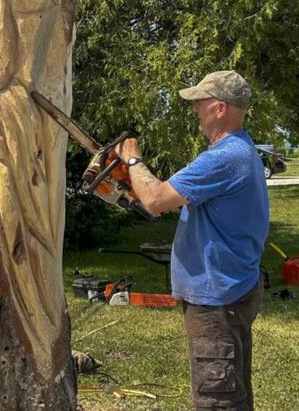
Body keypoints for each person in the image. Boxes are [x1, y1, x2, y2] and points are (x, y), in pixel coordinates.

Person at [115, 70, 269, 411]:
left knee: (218, 400)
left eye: (200, 102)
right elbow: (170, 201)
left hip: (217, 298)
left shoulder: (224, 157)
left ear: (220, 108)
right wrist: (136, 185)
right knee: (234, 389)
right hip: (231, 288)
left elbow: (155, 199)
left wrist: (132, 158)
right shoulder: (240, 151)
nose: (195, 109)